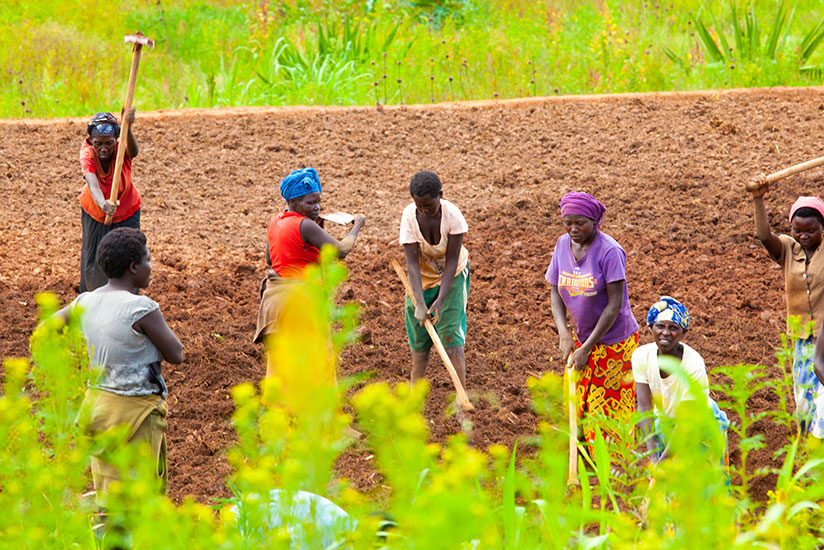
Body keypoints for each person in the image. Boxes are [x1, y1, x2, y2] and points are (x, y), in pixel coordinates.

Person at [54, 227, 182, 510]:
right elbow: (176, 354)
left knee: (109, 495)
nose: (151, 266)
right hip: (138, 412)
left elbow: (45, 330)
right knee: (141, 499)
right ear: (134, 267)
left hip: (99, 409)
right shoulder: (142, 308)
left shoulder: (85, 301)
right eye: (148, 259)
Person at [546, 191, 639, 443]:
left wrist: (587, 347)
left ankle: (613, 464)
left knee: (607, 407)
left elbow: (614, 305)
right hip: (582, 336)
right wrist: (564, 334)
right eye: (568, 222)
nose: (573, 229)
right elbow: (555, 288)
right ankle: (581, 455)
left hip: (614, 341)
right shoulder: (562, 245)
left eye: (580, 223)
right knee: (577, 397)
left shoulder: (610, 252)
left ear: (595, 222)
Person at [254, 167, 365, 376]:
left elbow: (271, 259)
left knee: (282, 362)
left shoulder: (275, 221)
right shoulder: (305, 225)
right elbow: (341, 251)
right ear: (293, 202)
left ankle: (278, 405)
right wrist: (357, 224)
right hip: (303, 301)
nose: (317, 207)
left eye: (318, 201)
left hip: (276, 300)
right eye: (310, 203)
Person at [747, 175, 824, 438]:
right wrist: (758, 198)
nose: (804, 236)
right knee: (805, 404)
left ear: (822, 227)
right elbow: (764, 235)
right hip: (803, 340)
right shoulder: (789, 249)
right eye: (797, 230)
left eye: (811, 230)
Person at [632, 297, 729, 466]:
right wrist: (654, 456)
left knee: (702, 486)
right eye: (660, 326)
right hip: (666, 424)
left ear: (684, 333)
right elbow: (645, 408)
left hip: (700, 427)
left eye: (674, 328)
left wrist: (662, 462)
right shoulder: (641, 357)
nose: (666, 333)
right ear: (650, 328)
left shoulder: (693, 365)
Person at [399, 171, 470, 388]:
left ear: (440, 195)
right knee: (419, 340)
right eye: (419, 206)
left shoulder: (453, 217)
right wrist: (420, 303)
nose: (424, 210)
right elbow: (411, 263)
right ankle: (415, 394)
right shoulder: (409, 217)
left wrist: (440, 299)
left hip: (452, 276)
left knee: (450, 335)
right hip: (421, 277)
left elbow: (451, 261)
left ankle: (461, 394)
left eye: (429, 205)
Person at [79, 109, 142, 293]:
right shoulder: (87, 154)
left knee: (128, 256)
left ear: (116, 140)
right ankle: (93, 299)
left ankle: (127, 299)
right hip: (96, 212)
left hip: (127, 210)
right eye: (98, 144)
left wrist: (128, 128)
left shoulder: (122, 148)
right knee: (95, 257)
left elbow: (134, 151)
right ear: (91, 142)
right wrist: (103, 204)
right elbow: (92, 183)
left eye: (109, 143)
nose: (104, 148)